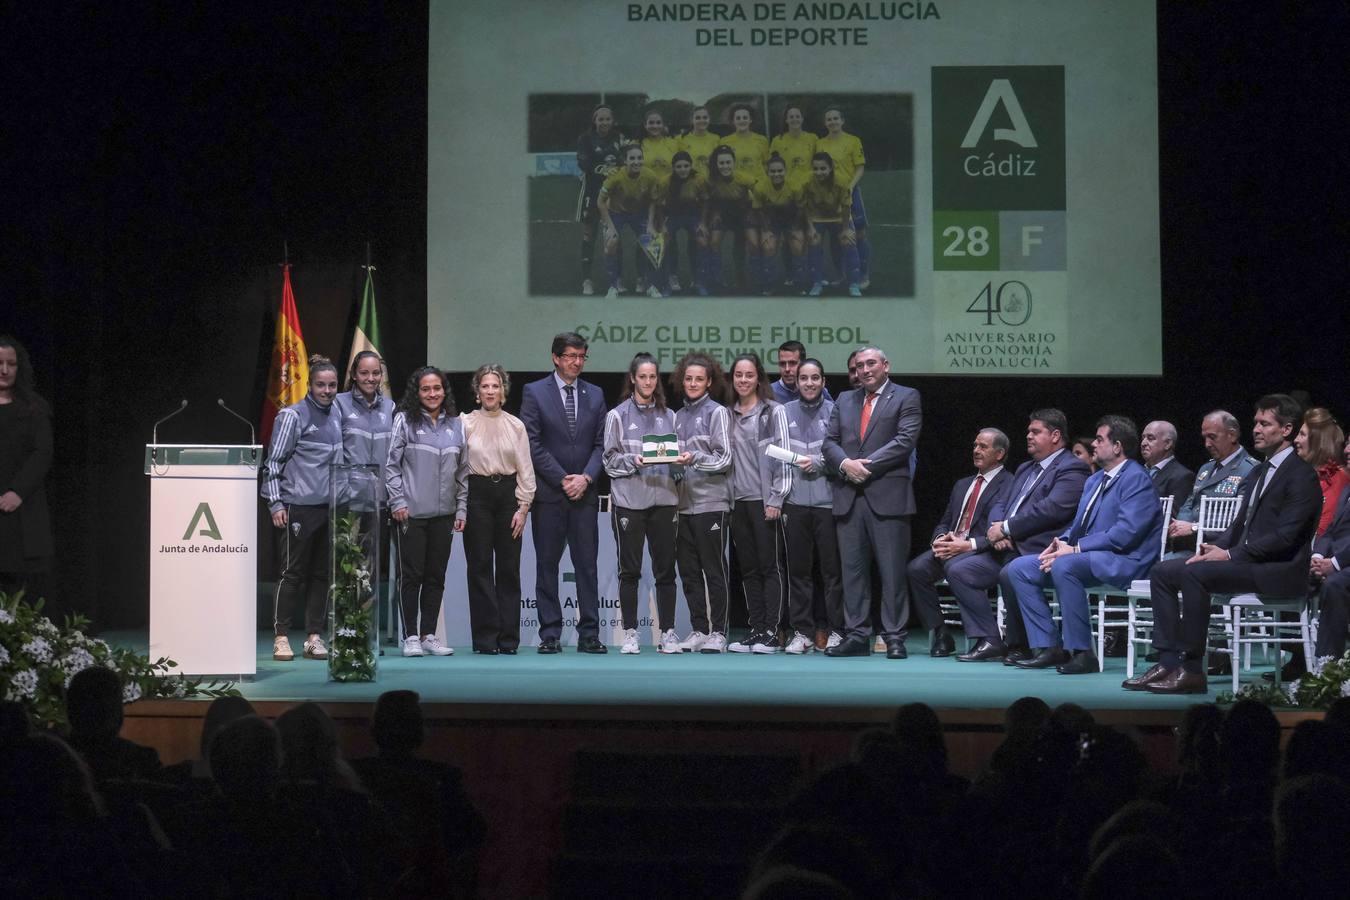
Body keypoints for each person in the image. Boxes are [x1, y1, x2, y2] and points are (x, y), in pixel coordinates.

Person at [1128, 394, 1321, 694]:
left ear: (1286, 430)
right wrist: (1216, 548)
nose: (1256, 428)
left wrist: (1229, 554)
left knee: (1195, 574)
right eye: (1256, 422)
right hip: (1248, 562)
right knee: (1164, 572)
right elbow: (1238, 525)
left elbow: (1285, 537)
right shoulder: (1260, 470)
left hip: (1279, 570)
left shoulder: (1301, 475)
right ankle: (1168, 661)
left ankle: (1192, 669)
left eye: (1265, 423)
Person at [1004, 416, 1165, 674]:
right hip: (1090, 558)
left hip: (1128, 560)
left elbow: (1126, 534)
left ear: (1117, 446)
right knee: (1019, 568)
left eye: (1100, 440)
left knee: (1066, 567)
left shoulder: (1136, 479)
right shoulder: (1094, 480)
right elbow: (1079, 524)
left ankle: (1081, 652)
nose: (1094, 445)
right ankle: (1048, 646)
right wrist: (1063, 542)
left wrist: (1076, 549)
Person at [952, 409, 1090, 662]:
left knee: (1010, 572)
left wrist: (1006, 529)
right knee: (960, 571)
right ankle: (991, 639)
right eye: (1029, 431)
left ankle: (1021, 644)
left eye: (1035, 432)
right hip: (1006, 545)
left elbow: (1051, 510)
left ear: (1056, 436)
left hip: (1038, 548)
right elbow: (1002, 502)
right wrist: (997, 528)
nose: (1028, 436)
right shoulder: (1026, 468)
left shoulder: (1073, 468)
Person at [822, 346, 921, 658]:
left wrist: (864, 465)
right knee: (852, 573)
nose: (865, 370)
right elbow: (829, 442)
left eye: (871, 364)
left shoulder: (907, 396)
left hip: (887, 497)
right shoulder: (844, 399)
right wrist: (844, 465)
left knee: (892, 572)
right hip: (849, 496)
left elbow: (904, 441)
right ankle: (857, 635)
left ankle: (894, 637)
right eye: (860, 365)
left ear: (885, 366)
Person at [521, 333, 607, 653]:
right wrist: (562, 479)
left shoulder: (595, 394)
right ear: (555, 358)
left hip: (584, 494)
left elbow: (601, 445)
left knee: (586, 566)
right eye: (571, 356)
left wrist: (585, 478)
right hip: (550, 495)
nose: (577, 362)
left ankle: (589, 635)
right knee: (547, 566)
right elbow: (533, 443)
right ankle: (550, 635)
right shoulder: (534, 392)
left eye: (582, 356)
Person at [262, 354, 343, 662]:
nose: (327, 390)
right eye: (321, 385)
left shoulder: (337, 414)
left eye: (332, 385)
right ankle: (281, 637)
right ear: (309, 385)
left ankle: (313, 636)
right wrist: (275, 503)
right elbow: (273, 463)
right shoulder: (292, 416)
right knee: (292, 573)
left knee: (322, 574)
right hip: (298, 508)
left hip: (330, 508)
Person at [906, 429, 1013, 657]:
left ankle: (987, 638)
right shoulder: (963, 484)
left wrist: (968, 544)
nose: (976, 450)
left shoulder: (1010, 484)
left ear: (1000, 453)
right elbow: (945, 521)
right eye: (975, 445)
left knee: (956, 568)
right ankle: (941, 633)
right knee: (916, 569)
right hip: (952, 547)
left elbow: (1001, 531)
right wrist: (940, 539)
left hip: (984, 552)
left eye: (983, 446)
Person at [602, 353, 681, 654]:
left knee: (665, 571)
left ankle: (669, 633)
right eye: (642, 376)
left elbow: (678, 467)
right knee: (629, 571)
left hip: (664, 501)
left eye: (653, 377)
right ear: (633, 378)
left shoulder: (670, 416)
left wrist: (680, 462)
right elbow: (608, 462)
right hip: (629, 503)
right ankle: (631, 633)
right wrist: (633, 461)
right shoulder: (617, 415)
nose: (648, 382)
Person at [386, 366, 467, 657]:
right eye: (425, 389)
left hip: (444, 515)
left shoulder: (456, 425)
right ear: (416, 392)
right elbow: (391, 466)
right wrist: (398, 502)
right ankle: (410, 637)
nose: (432, 394)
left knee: (436, 576)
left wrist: (461, 508)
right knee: (412, 576)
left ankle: (429, 634)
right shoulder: (404, 421)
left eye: (437, 388)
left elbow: (463, 473)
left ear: (444, 390)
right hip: (411, 514)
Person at [460, 364, 535, 655]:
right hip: (476, 495)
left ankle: (508, 640)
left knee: (508, 570)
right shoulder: (463, 423)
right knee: (479, 568)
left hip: (509, 498)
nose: (490, 391)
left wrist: (524, 507)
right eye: (485, 386)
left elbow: (526, 470)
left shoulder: (516, 425)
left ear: (503, 392)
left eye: (495, 386)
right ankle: (485, 640)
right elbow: (457, 468)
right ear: (477, 393)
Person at [726, 354, 791, 653]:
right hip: (737, 502)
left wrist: (777, 497)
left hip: (765, 502)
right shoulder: (727, 413)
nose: (743, 380)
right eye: (738, 374)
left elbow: (784, 458)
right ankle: (756, 629)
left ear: (758, 378)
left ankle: (772, 632)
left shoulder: (773, 411)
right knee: (749, 569)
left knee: (769, 567)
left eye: (749, 374)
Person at [669, 352, 733, 653]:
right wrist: (671, 464)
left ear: (709, 382)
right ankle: (698, 629)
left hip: (712, 502)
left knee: (714, 570)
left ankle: (719, 632)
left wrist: (696, 459)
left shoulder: (718, 412)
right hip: (683, 504)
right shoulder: (676, 417)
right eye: (689, 378)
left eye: (699, 379)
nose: (693, 383)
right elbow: (674, 464)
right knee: (689, 571)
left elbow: (725, 458)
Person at [782, 359, 843, 654]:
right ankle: (802, 632)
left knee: (832, 572)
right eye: (803, 378)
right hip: (794, 503)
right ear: (796, 382)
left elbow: (844, 458)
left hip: (828, 503)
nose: (808, 383)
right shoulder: (783, 412)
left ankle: (836, 630)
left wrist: (821, 463)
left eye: (814, 378)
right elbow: (772, 457)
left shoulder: (836, 412)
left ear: (823, 381)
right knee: (799, 572)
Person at [0, 334, 52, 598]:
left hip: (19, 510)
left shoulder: (33, 408)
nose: (5, 370)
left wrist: (17, 492)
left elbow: (42, 453)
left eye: (11, 363)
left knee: (15, 591)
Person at [1168, 410, 1259, 547]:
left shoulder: (1251, 469)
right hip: (1190, 544)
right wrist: (1180, 525)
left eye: (1212, 437)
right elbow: (1190, 503)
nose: (1207, 444)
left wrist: (1194, 527)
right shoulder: (1206, 468)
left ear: (1232, 435)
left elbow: (1239, 519)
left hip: (1219, 547)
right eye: (1205, 438)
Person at [597, 142, 665, 299]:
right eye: (632, 158)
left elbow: (653, 201)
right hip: (615, 213)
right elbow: (600, 202)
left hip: (639, 213)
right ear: (625, 160)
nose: (636, 162)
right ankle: (613, 287)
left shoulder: (650, 176)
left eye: (639, 158)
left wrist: (650, 224)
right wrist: (610, 227)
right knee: (611, 243)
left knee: (653, 242)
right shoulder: (615, 176)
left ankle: (650, 285)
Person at [817, 107, 872, 289]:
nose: (832, 122)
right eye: (829, 119)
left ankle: (864, 274)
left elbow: (860, 167)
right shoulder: (820, 143)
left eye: (835, 118)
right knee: (836, 235)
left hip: (850, 193)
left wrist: (849, 186)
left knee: (860, 234)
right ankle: (841, 274)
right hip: (829, 196)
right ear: (825, 123)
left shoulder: (853, 141)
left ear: (842, 121)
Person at [576, 104, 625, 296]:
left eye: (608, 119)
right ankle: (587, 280)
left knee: (615, 236)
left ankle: (617, 278)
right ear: (594, 121)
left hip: (614, 194)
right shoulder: (585, 139)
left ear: (612, 121)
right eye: (600, 119)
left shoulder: (618, 138)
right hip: (592, 192)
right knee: (589, 235)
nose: (604, 122)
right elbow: (583, 162)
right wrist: (602, 169)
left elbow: (624, 160)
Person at [799, 152, 861, 297]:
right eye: (815, 168)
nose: (819, 172)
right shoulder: (806, 182)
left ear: (831, 168)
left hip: (840, 218)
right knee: (814, 242)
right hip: (817, 218)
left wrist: (846, 229)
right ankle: (817, 283)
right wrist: (810, 227)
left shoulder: (842, 181)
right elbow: (805, 206)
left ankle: (854, 284)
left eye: (823, 168)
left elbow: (846, 207)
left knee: (849, 242)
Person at [701, 144, 757, 295]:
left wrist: (752, 212)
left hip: (742, 213)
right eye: (721, 163)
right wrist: (714, 214)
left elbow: (759, 195)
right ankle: (717, 280)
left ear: (734, 163)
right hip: (722, 215)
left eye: (728, 162)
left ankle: (748, 279)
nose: (725, 166)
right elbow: (709, 200)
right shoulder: (711, 180)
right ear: (716, 164)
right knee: (713, 242)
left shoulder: (745, 178)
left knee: (752, 243)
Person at [1312, 445, 1350, 660]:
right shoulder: (1347, 490)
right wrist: (1316, 557)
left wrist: (1334, 564)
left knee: (1335, 585)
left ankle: (1327, 665)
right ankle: (1297, 654)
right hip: (1333, 561)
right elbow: (1330, 531)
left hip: (1343, 564)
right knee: (1290, 572)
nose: (1347, 450)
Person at [750, 154, 808, 294]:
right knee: (768, 246)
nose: (776, 174)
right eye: (773, 171)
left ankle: (799, 283)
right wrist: (766, 229)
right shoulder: (760, 187)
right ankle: (768, 284)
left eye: (780, 171)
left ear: (785, 171)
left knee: (797, 245)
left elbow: (801, 209)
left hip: (792, 219)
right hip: (771, 220)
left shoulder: (795, 186)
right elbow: (759, 210)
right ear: (768, 172)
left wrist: (795, 228)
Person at [657, 150, 709, 295]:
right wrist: (662, 225)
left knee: (701, 240)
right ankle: (670, 279)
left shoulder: (699, 180)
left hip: (692, 214)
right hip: (672, 215)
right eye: (679, 166)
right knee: (665, 241)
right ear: (673, 167)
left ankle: (698, 280)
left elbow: (705, 202)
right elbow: (659, 205)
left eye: (686, 166)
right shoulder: (665, 181)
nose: (683, 169)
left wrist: (703, 223)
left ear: (691, 166)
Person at [1293, 406, 1347, 537]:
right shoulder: (1298, 473)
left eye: (1302, 434)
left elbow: (1323, 530)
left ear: (1317, 440)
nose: (1295, 440)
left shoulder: (1337, 479)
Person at [1140, 420, 1194, 514]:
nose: (1143, 443)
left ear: (1168, 444)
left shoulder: (1182, 476)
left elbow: (1174, 517)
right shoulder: (1137, 472)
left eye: (1150, 438)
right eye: (1143, 438)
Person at [769, 104, 817, 188]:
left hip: (809, 186)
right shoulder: (778, 141)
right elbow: (772, 166)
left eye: (797, 116)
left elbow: (819, 163)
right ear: (786, 120)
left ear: (802, 119)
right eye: (791, 117)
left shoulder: (813, 138)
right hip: (787, 187)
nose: (795, 119)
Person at [721, 103, 771, 180]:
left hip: (758, 185)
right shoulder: (724, 142)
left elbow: (767, 164)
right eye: (738, 118)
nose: (742, 121)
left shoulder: (762, 140)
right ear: (733, 121)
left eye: (745, 118)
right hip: (737, 185)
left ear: (750, 120)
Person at [676, 105, 720, 177]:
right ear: (692, 120)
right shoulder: (680, 139)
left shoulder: (716, 139)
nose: (701, 120)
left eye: (705, 117)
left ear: (709, 119)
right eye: (698, 118)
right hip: (689, 181)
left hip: (711, 182)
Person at [639, 108, 678, 180]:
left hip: (668, 188)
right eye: (651, 123)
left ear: (663, 125)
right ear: (645, 125)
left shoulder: (674, 143)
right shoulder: (637, 144)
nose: (655, 126)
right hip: (645, 189)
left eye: (658, 123)